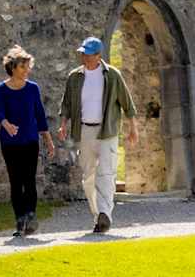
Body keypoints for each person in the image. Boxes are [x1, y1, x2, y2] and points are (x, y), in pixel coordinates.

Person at [57, 37, 137, 234]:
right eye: (83, 53)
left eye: (88, 54)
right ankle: (97, 214)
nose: (84, 57)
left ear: (99, 55)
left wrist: (132, 128)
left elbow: (127, 103)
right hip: (84, 131)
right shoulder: (74, 77)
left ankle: (105, 214)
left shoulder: (112, 75)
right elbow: (66, 104)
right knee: (88, 176)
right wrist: (63, 125)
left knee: (106, 173)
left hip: (107, 130)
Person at [0, 45, 53, 237]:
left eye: (28, 67)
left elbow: (40, 115)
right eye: (23, 67)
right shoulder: (1, 89)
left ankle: (31, 215)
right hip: (10, 142)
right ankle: (20, 220)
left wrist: (48, 140)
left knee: (29, 180)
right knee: (15, 181)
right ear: (12, 67)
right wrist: (6, 124)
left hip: (30, 140)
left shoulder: (33, 89)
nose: (27, 70)